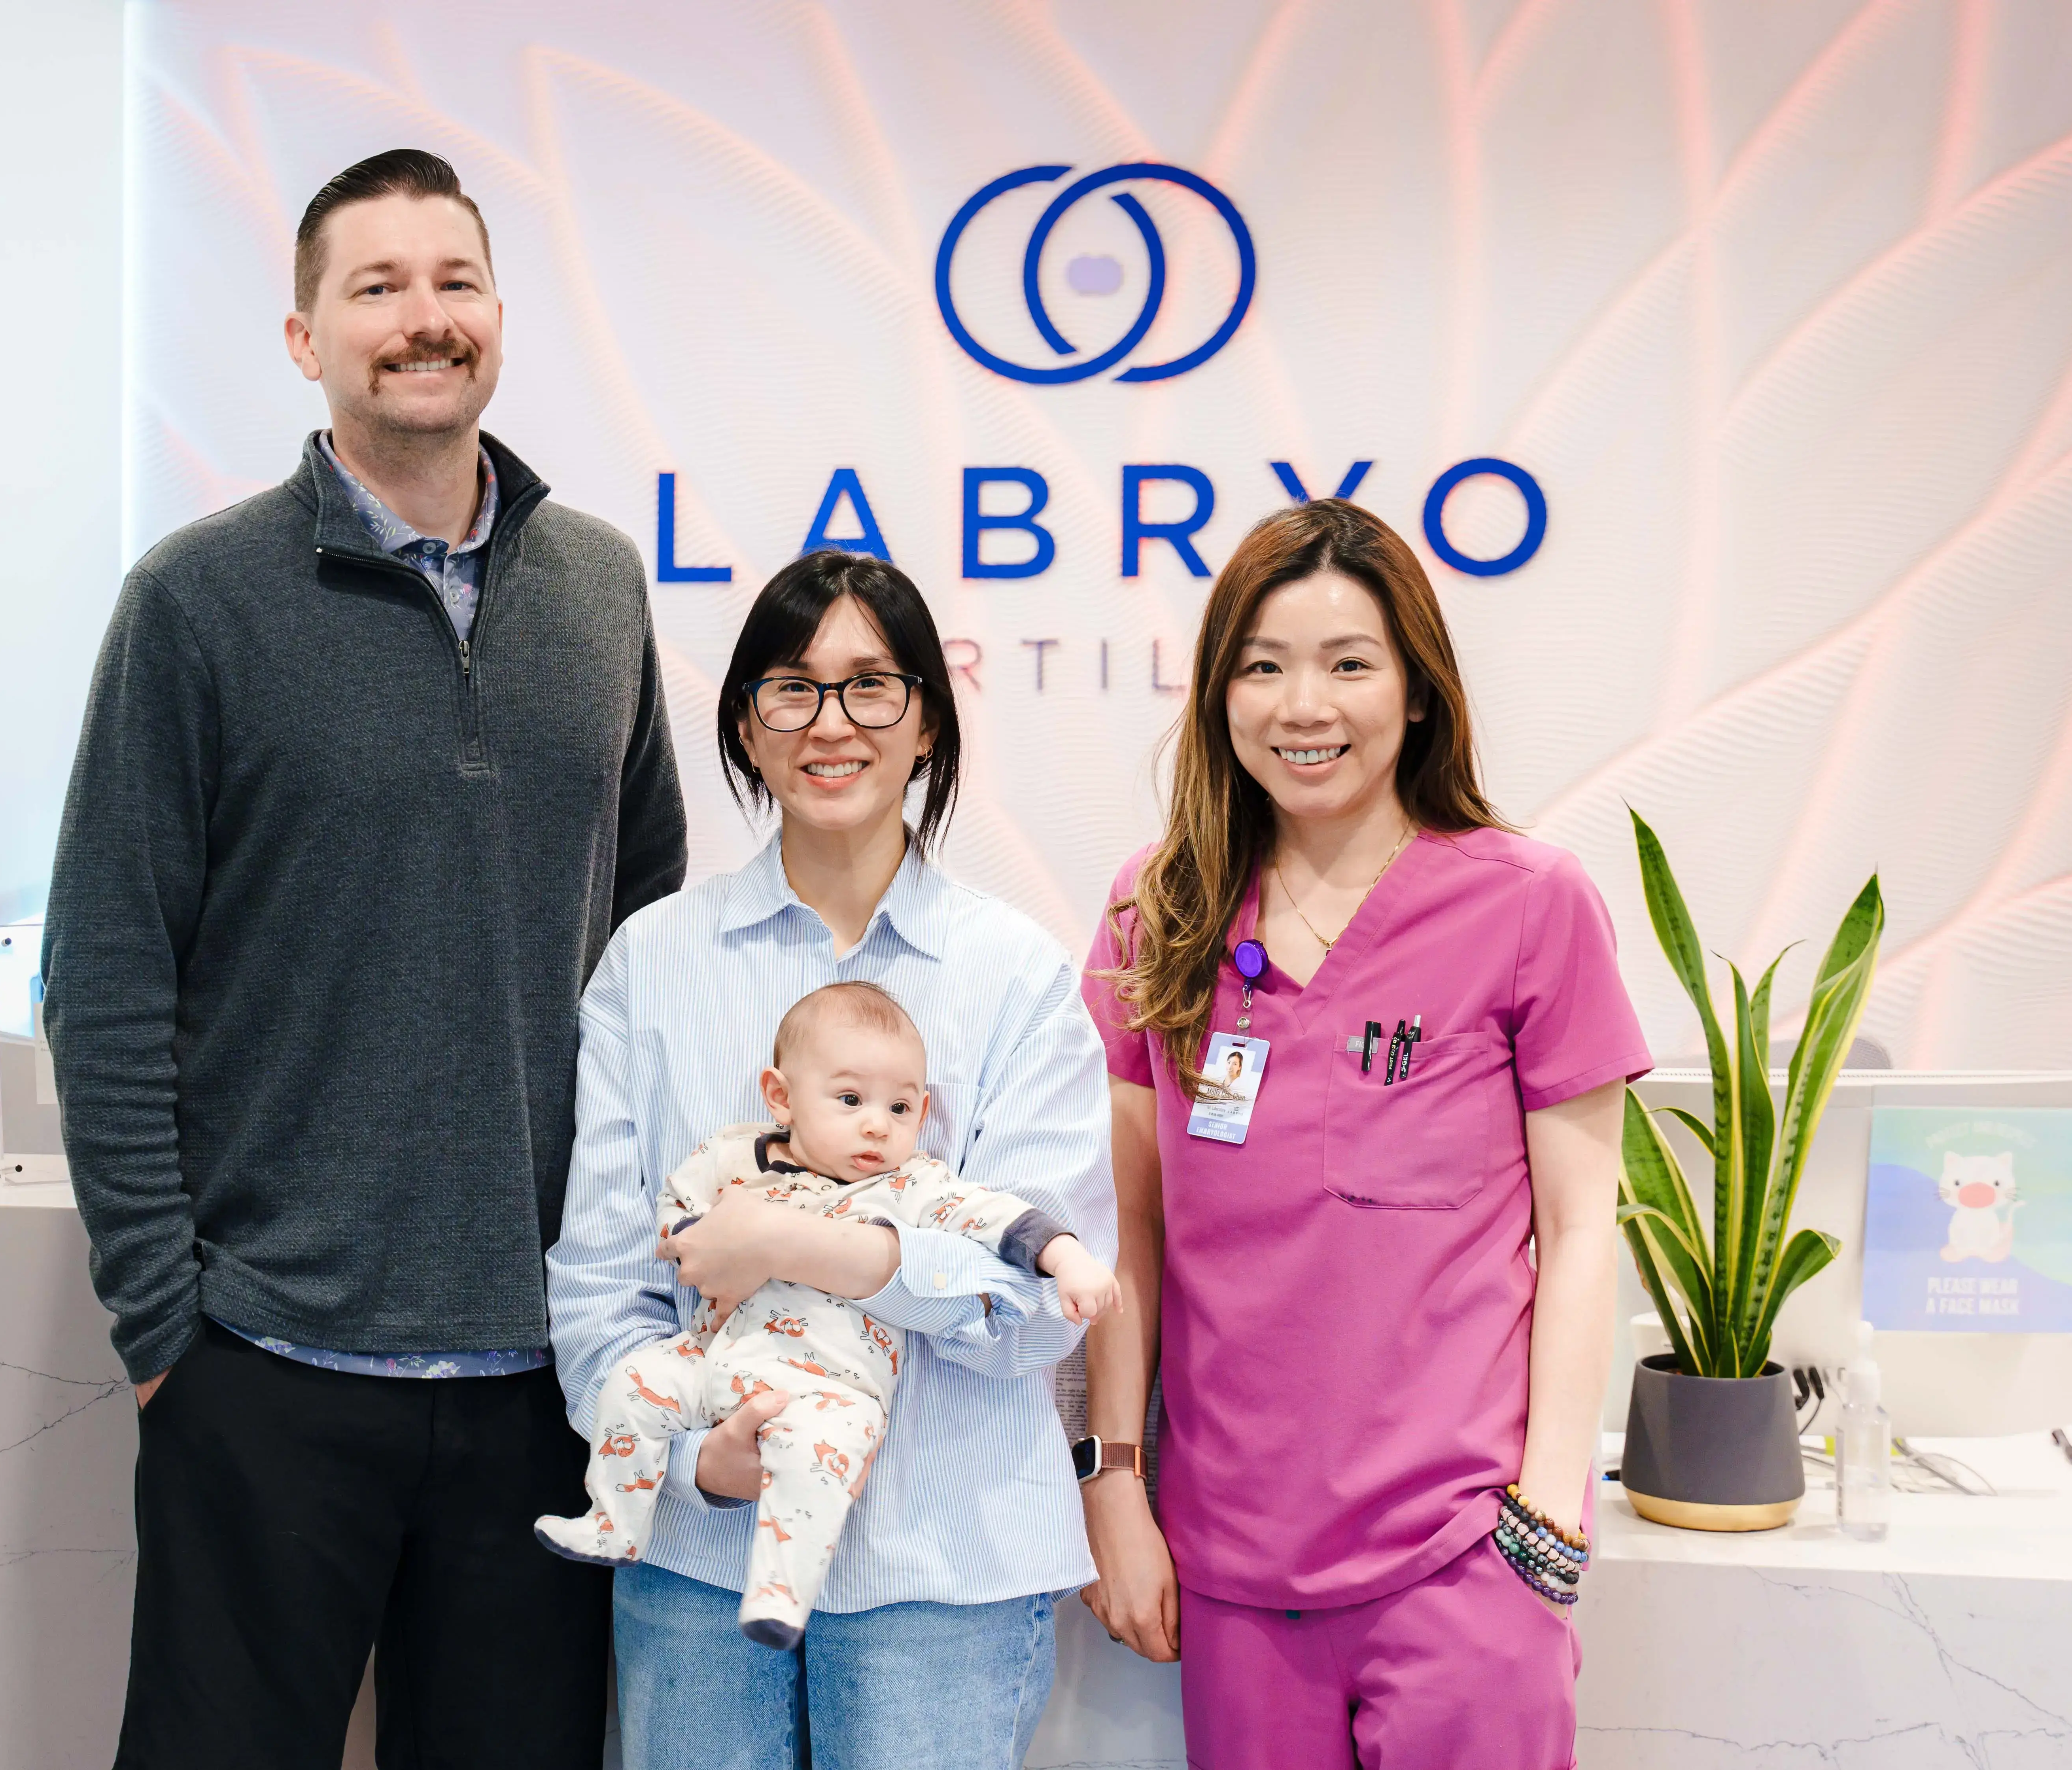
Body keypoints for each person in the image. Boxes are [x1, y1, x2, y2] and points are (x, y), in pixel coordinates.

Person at [43, 148, 684, 1770]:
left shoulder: (600, 587)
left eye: (455, 281)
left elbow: (648, 932)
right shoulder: (195, 602)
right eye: (377, 286)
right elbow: (106, 972)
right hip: (265, 1362)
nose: (423, 319)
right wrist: (165, 1333)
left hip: (541, 1369)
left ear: (496, 315)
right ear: (302, 335)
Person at [1078, 499, 1651, 1770]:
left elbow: (1580, 1226)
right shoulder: (1156, 905)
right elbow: (1128, 1224)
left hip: (1458, 1561)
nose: (1304, 706)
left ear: (1418, 689)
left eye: (1350, 663)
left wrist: (1547, 1512)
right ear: (1221, 692)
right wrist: (1114, 1477)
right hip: (1232, 1572)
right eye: (1264, 665)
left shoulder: (1527, 903)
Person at [546, 549, 1115, 1770]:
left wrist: (803, 1246)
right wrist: (697, 1463)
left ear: (927, 724)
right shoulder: (654, 962)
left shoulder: (1014, 975)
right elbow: (600, 1284)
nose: (831, 723)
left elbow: (1037, 1311)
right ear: (746, 728)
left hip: (943, 1571)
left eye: (872, 687)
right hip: (699, 1564)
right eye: (791, 690)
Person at [534, 979, 1117, 1649]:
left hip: (831, 1389)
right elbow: (679, 1211)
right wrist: (690, 1235)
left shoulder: (910, 1183)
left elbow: (1000, 1219)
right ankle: (613, 1519)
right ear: (781, 1097)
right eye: (850, 1100)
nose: (877, 1124)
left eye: (900, 1107)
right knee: (633, 1385)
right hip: (711, 1357)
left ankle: (781, 1594)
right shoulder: (733, 1154)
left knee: (820, 1464)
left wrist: (1069, 1260)